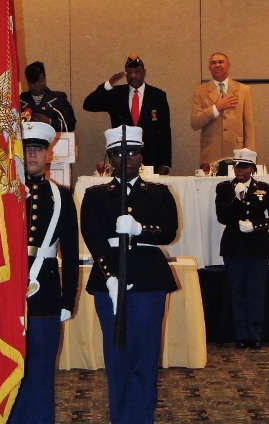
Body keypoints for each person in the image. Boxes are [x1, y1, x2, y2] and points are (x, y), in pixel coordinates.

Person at [80, 125, 178, 424]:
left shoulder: (160, 193)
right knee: (117, 356)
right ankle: (120, 417)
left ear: (141, 155)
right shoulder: (96, 195)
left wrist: (140, 230)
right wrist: (109, 277)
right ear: (110, 157)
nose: (127, 158)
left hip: (149, 280)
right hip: (109, 281)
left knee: (146, 357)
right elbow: (93, 237)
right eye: (120, 153)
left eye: (133, 152)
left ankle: (142, 417)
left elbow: (169, 231)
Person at [8, 121, 79, 424]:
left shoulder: (62, 197)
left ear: (48, 153)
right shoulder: (7, 195)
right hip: (10, 292)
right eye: (27, 148)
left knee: (41, 370)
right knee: (11, 368)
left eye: (38, 148)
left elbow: (72, 255)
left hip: (46, 292)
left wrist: (67, 300)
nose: (33, 154)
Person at [216, 148, 269, 349]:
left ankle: (254, 335)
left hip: (258, 247)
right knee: (237, 292)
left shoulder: (264, 188)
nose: (239, 170)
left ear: (252, 168)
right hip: (234, 247)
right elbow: (222, 217)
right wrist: (236, 200)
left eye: (244, 166)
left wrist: (256, 225)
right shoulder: (224, 188)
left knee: (256, 292)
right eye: (237, 165)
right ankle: (241, 335)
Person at [83, 54, 172, 175]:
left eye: (137, 71)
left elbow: (165, 131)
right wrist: (109, 84)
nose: (133, 75)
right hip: (122, 160)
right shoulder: (116, 94)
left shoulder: (157, 96)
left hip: (151, 161)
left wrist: (165, 163)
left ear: (144, 72)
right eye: (129, 72)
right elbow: (88, 104)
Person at [191, 53, 256, 167]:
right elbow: (195, 123)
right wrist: (216, 108)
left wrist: (250, 156)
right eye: (213, 63)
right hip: (210, 155)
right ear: (209, 67)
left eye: (221, 62)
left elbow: (249, 125)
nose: (217, 65)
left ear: (228, 65)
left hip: (237, 154)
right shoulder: (200, 91)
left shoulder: (243, 90)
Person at [20, 61, 76, 132]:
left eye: (40, 81)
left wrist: (49, 122)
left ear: (45, 78)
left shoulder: (59, 99)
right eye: (33, 82)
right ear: (27, 82)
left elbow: (71, 125)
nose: (37, 85)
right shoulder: (20, 101)